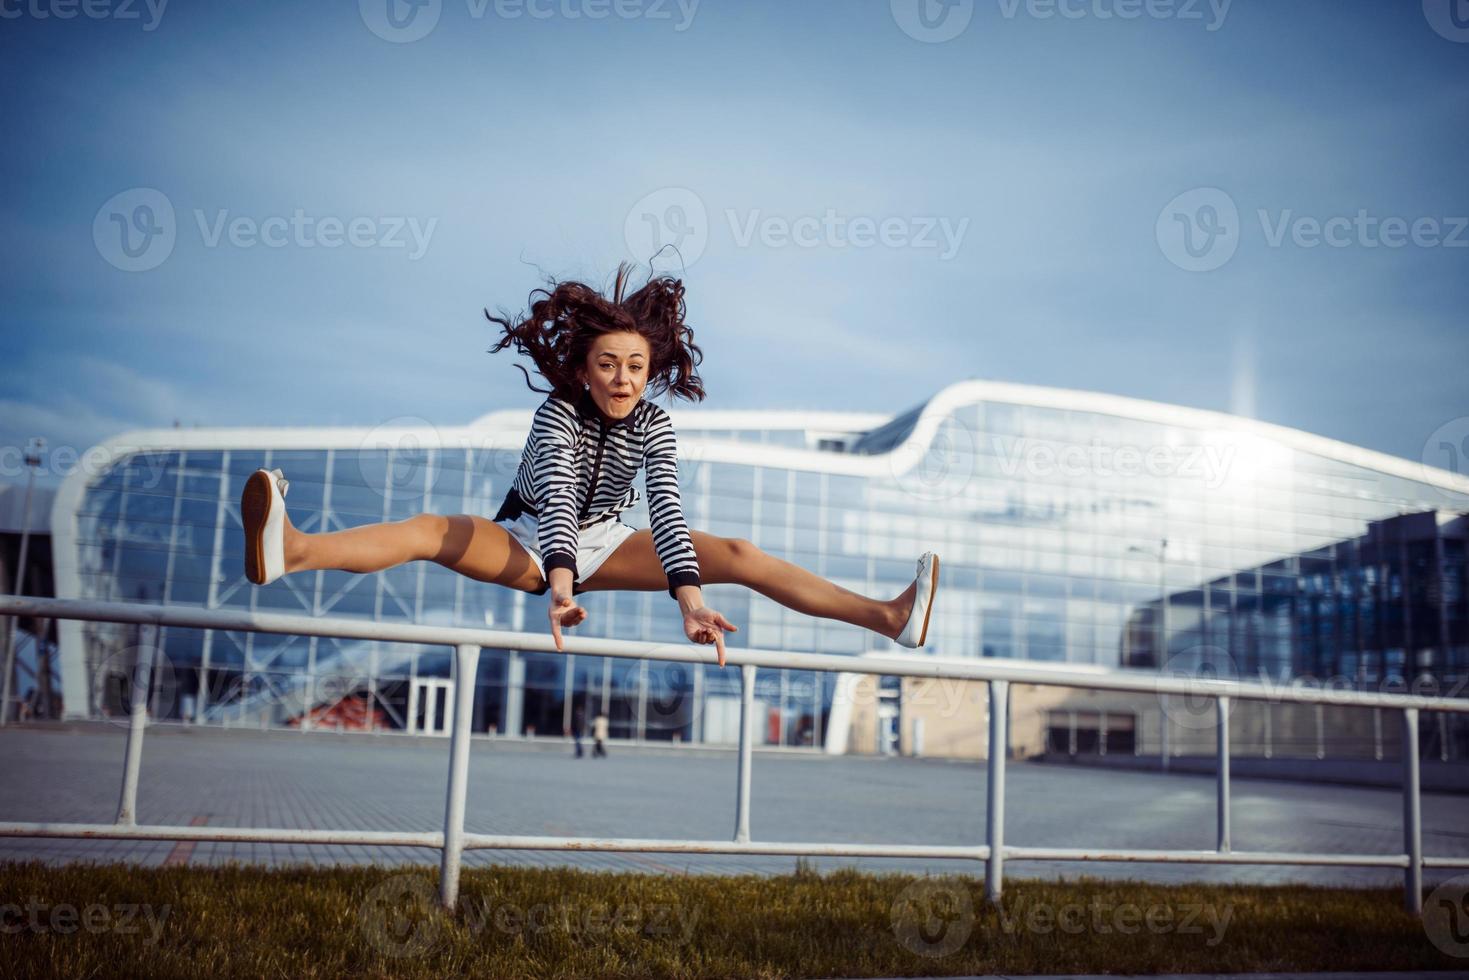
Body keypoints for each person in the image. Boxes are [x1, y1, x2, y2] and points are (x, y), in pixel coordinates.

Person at [238, 263, 941, 668]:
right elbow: (559, 495)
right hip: (531, 542)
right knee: (430, 529)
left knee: (739, 552)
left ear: (649, 370)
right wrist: (559, 586)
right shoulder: (557, 416)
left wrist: (690, 604)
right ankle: (292, 550)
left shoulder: (654, 425)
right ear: (582, 368)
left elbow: (664, 507)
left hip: (607, 538)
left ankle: (886, 618)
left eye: (636, 366)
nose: (623, 378)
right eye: (607, 364)